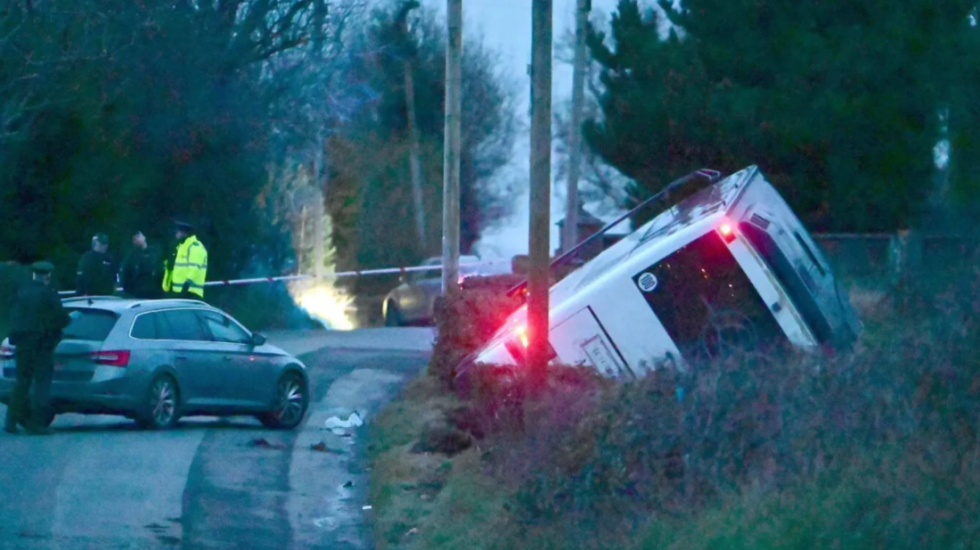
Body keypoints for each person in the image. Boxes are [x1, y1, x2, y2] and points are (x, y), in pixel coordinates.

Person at [4, 262, 70, 436]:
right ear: (47, 276)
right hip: (42, 345)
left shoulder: (22, 293)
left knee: (22, 382)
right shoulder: (48, 294)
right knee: (41, 384)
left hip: (23, 345)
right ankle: (37, 423)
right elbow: (61, 319)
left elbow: (14, 317)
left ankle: (11, 421)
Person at [162, 220, 208, 299]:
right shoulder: (180, 247)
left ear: (184, 232)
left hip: (191, 292)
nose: (176, 233)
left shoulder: (195, 247)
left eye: (178, 231)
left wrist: (186, 285)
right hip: (177, 291)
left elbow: (194, 269)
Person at [119, 231, 163, 299]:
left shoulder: (154, 252)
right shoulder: (131, 256)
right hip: (137, 293)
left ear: (144, 237)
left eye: (138, 236)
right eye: (134, 238)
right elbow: (125, 273)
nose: (137, 239)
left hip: (154, 292)